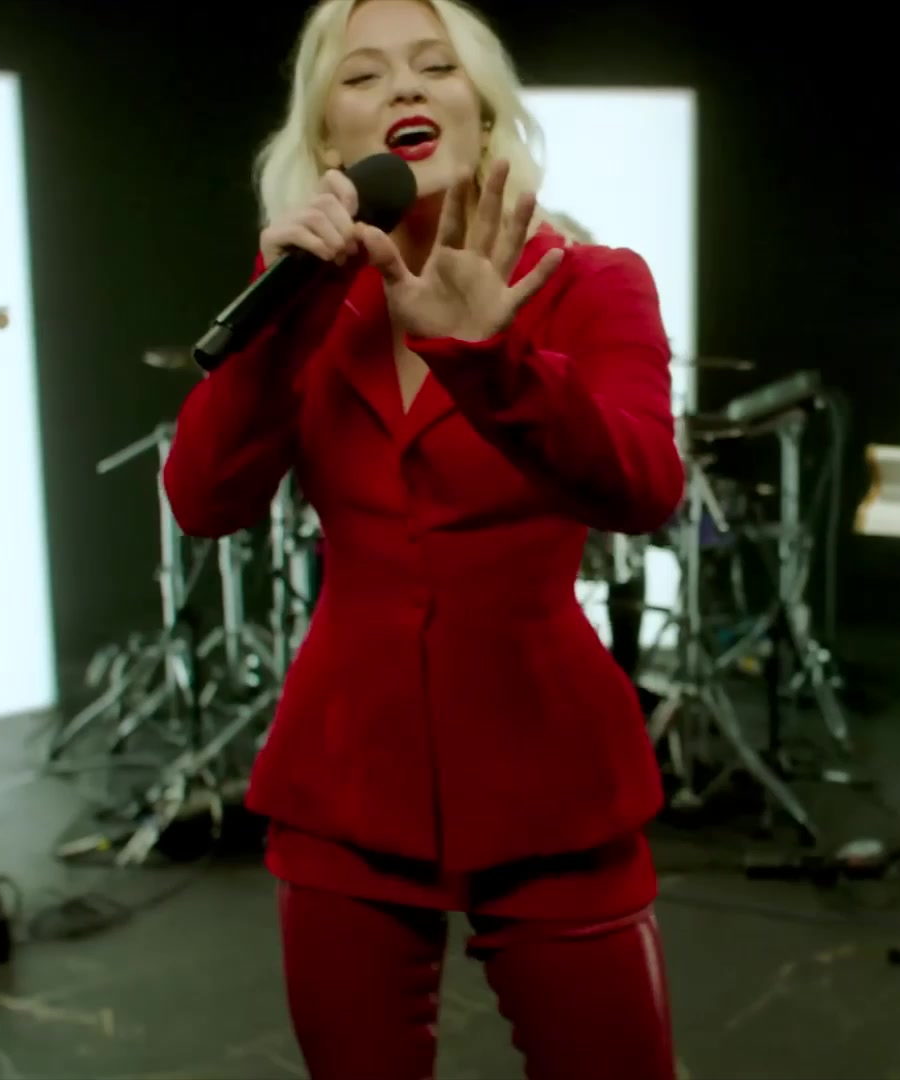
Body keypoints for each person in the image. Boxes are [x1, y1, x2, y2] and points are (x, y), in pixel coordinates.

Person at [160, 2, 683, 1077]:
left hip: (550, 769)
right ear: (327, 141)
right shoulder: (304, 304)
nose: (403, 87)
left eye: (434, 66)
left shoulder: (591, 282)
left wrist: (492, 364)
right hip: (345, 775)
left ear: (484, 116)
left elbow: (644, 488)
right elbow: (204, 501)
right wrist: (281, 312)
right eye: (362, 77)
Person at [541, 207, 651, 682]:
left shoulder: (600, 310)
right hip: (546, 482)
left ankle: (626, 669)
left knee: (630, 558)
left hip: (591, 480)